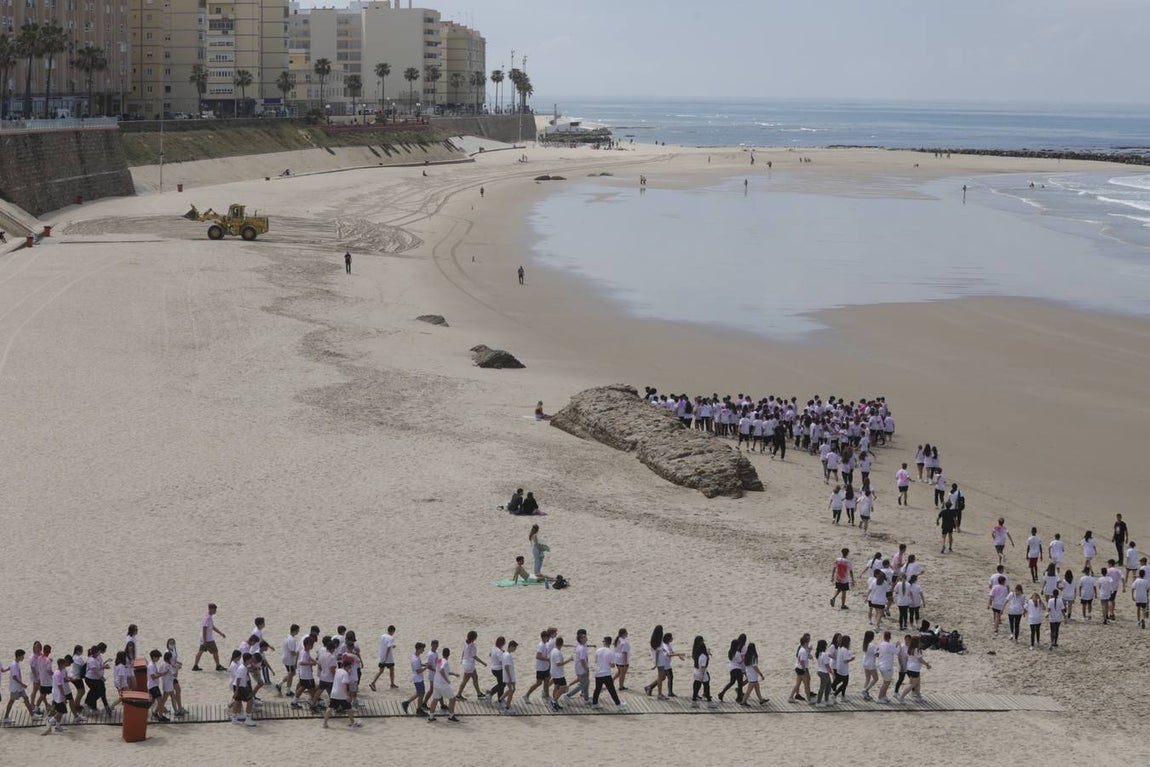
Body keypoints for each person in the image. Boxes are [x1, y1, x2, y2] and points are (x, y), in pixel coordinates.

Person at [325, 658, 361, 728]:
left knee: (330, 708)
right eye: (350, 667)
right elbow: (344, 684)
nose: (350, 668)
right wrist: (347, 695)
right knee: (349, 708)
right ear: (347, 666)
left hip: (334, 693)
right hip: (341, 695)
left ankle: (324, 723)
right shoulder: (345, 673)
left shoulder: (338, 671)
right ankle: (353, 723)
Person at [426, 647, 460, 722]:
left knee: (435, 699)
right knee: (452, 699)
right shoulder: (445, 662)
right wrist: (447, 680)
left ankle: (431, 717)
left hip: (436, 683)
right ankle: (451, 716)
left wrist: (454, 674)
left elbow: (442, 671)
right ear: (449, 654)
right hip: (443, 684)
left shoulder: (439, 660)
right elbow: (441, 671)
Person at [895, 636, 930, 703]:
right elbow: (920, 660)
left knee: (918, 683)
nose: (920, 642)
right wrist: (927, 664)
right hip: (914, 669)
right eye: (919, 641)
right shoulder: (916, 649)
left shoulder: (910, 648)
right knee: (912, 684)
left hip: (910, 668)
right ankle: (901, 697)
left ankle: (919, 697)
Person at [455, 630, 488, 701]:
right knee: (465, 681)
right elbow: (474, 656)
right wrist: (483, 663)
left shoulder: (465, 642)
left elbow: (463, 652)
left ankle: (479, 694)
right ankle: (458, 695)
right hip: (469, 665)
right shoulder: (472, 646)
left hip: (466, 663)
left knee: (475, 677)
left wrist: (462, 659)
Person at [192, 604, 226, 671]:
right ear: (211, 609)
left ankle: (195, 666)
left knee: (200, 651)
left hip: (205, 638)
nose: (215, 611)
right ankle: (218, 666)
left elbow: (212, 627)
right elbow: (204, 629)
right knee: (215, 651)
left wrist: (220, 633)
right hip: (208, 639)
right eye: (215, 609)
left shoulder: (209, 617)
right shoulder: (207, 618)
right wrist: (205, 641)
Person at [593, 636, 623, 707]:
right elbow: (612, 665)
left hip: (598, 673)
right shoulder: (611, 652)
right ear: (610, 643)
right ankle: (618, 704)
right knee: (611, 690)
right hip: (606, 673)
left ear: (604, 642)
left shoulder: (598, 650)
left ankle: (594, 703)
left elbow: (596, 661)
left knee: (597, 689)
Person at [717, 634, 746, 703]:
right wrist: (744, 657)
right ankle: (739, 698)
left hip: (732, 668)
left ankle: (722, 693)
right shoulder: (737, 653)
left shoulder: (730, 652)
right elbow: (740, 661)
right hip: (738, 669)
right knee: (740, 684)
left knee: (731, 682)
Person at [400, 642, 426, 715]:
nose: (423, 650)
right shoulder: (415, 659)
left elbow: (418, 665)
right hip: (418, 679)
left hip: (418, 678)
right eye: (422, 649)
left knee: (420, 693)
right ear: (419, 649)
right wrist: (426, 667)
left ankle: (409, 704)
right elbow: (418, 671)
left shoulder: (416, 656)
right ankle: (417, 708)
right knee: (421, 693)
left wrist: (424, 664)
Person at [565, 630, 591, 703]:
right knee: (582, 684)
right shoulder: (581, 648)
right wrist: (586, 669)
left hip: (580, 668)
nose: (586, 637)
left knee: (587, 682)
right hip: (581, 669)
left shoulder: (581, 646)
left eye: (585, 636)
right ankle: (568, 695)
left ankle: (586, 699)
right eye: (584, 637)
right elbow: (582, 660)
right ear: (581, 639)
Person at [368, 625, 396, 692]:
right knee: (392, 670)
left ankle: (373, 682)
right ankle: (392, 683)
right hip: (388, 658)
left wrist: (392, 646)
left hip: (381, 656)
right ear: (393, 631)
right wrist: (386, 658)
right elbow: (388, 648)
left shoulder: (383, 636)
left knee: (381, 671)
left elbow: (385, 644)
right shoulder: (391, 638)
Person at [547, 637, 570, 710]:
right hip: (558, 673)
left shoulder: (553, 650)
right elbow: (558, 664)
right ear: (562, 644)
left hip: (554, 672)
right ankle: (553, 701)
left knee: (556, 687)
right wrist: (568, 660)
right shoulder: (557, 652)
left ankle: (555, 702)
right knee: (563, 687)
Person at [790, 633, 812, 704]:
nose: (809, 641)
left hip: (798, 668)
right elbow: (802, 661)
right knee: (807, 684)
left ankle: (791, 697)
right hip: (801, 669)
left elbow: (802, 659)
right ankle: (809, 700)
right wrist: (804, 670)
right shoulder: (803, 650)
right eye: (808, 640)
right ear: (805, 642)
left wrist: (809, 654)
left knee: (798, 684)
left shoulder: (803, 649)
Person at [499, 641, 519, 710]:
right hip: (509, 676)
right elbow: (506, 667)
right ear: (511, 647)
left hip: (507, 675)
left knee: (511, 689)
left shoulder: (505, 654)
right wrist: (510, 677)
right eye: (514, 648)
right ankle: (507, 706)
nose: (515, 649)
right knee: (512, 690)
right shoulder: (508, 655)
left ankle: (501, 699)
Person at [813, 639, 832, 707]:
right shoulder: (824, 654)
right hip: (824, 672)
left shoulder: (818, 653)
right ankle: (818, 702)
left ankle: (826, 700)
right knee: (823, 687)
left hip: (820, 671)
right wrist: (832, 672)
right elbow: (827, 665)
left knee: (828, 686)